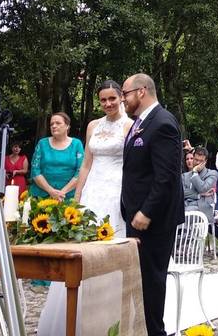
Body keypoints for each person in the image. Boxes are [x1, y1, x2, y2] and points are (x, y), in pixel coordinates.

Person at [37, 80, 133, 336]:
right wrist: (78, 196)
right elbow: (86, 165)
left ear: (122, 97)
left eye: (112, 98)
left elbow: (133, 165)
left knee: (110, 249)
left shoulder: (130, 126)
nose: (108, 104)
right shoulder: (92, 126)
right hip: (92, 192)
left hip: (116, 191)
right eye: (103, 100)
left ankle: (112, 317)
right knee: (83, 249)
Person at [120, 73, 183, 336]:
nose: (123, 99)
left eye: (125, 94)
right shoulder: (140, 123)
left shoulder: (163, 123)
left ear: (142, 91)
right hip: (135, 217)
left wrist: (147, 211)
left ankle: (155, 332)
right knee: (138, 284)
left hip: (153, 220)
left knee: (151, 283)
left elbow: (166, 175)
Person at [30, 112, 84, 201]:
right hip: (41, 196)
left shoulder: (76, 144)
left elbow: (80, 171)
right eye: (51, 124)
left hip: (68, 197)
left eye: (58, 123)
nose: (54, 126)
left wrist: (62, 192)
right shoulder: (42, 143)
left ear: (67, 126)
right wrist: (51, 191)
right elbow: (35, 170)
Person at [183, 146, 217, 223]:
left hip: (202, 208)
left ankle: (184, 233)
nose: (198, 163)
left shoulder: (212, 174)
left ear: (205, 161)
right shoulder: (185, 175)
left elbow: (202, 188)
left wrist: (195, 172)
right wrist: (199, 195)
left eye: (201, 161)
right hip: (185, 205)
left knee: (185, 212)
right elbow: (181, 192)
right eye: (196, 160)